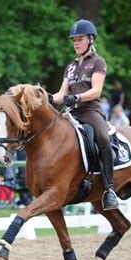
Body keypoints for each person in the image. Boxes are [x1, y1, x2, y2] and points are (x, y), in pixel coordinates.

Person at [50, 19, 119, 210]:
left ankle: (109, 189)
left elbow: (96, 91)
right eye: (74, 40)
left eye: (79, 39)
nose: (76, 43)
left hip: (89, 111)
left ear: (90, 39)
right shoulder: (70, 67)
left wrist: (78, 97)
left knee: (103, 138)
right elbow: (60, 95)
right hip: (71, 112)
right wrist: (46, 97)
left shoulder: (98, 62)